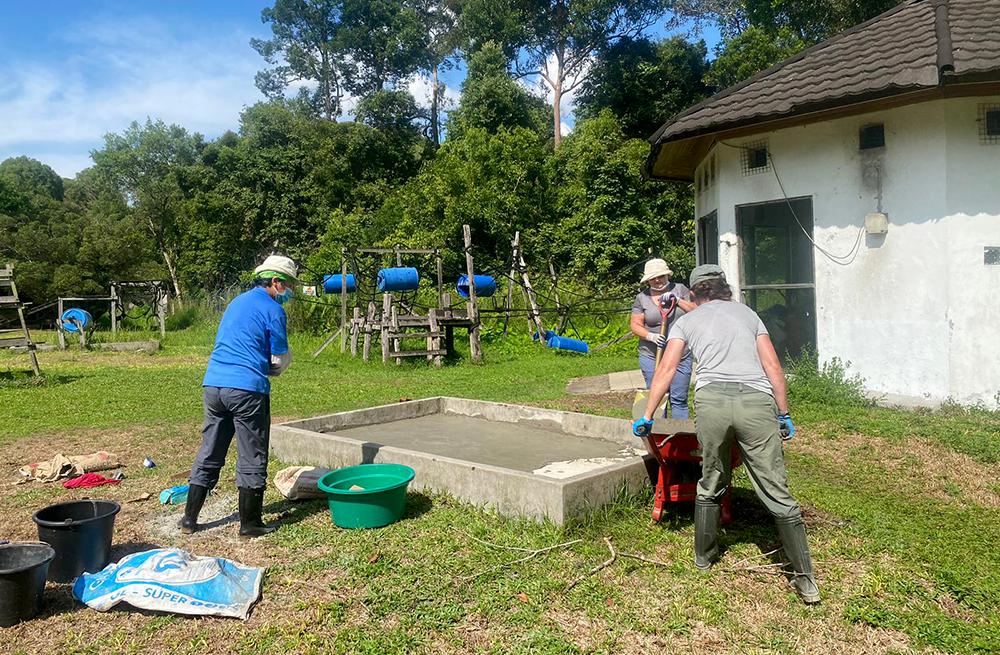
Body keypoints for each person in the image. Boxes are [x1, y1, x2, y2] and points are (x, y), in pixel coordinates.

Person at [631, 264, 820, 604]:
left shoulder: (687, 321)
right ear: (725, 289)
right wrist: (784, 413)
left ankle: (704, 557)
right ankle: (805, 580)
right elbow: (772, 366)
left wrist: (647, 415)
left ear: (694, 294)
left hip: (713, 402)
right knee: (774, 484)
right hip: (757, 402)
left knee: (711, 475)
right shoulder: (749, 315)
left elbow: (668, 369)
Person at [180, 255, 297, 539]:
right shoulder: (273, 309)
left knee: (210, 450)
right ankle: (250, 524)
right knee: (252, 454)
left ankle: (189, 519)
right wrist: (274, 368)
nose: (290, 291)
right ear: (275, 282)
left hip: (214, 386)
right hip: (246, 389)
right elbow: (279, 358)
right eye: (289, 285)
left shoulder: (236, 302)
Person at [629, 258, 696, 418]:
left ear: (667, 275)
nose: (657, 280)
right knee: (657, 398)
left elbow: (695, 310)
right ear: (648, 280)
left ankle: (680, 437)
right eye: (653, 278)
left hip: (681, 354)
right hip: (651, 355)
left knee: (679, 399)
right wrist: (650, 336)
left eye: (661, 276)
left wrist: (678, 300)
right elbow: (635, 325)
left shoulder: (680, 289)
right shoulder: (642, 298)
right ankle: (659, 437)